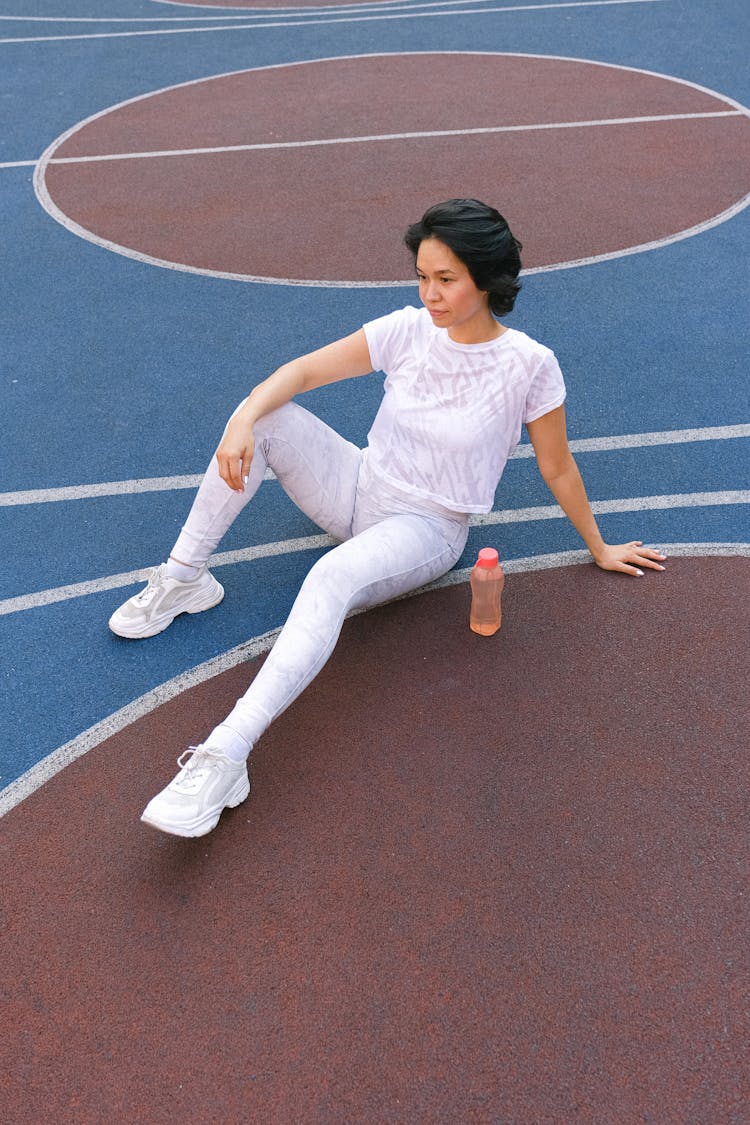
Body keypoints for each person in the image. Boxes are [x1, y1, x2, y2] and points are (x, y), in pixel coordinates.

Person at [109, 198, 666, 838]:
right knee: (267, 418)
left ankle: (225, 754)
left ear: (488, 279)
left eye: (446, 280)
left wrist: (597, 546)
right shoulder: (406, 329)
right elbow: (299, 372)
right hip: (358, 484)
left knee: (328, 579)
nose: (429, 293)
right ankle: (185, 579)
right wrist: (239, 423)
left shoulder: (529, 366)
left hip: (426, 528)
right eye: (423, 276)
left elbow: (558, 467)